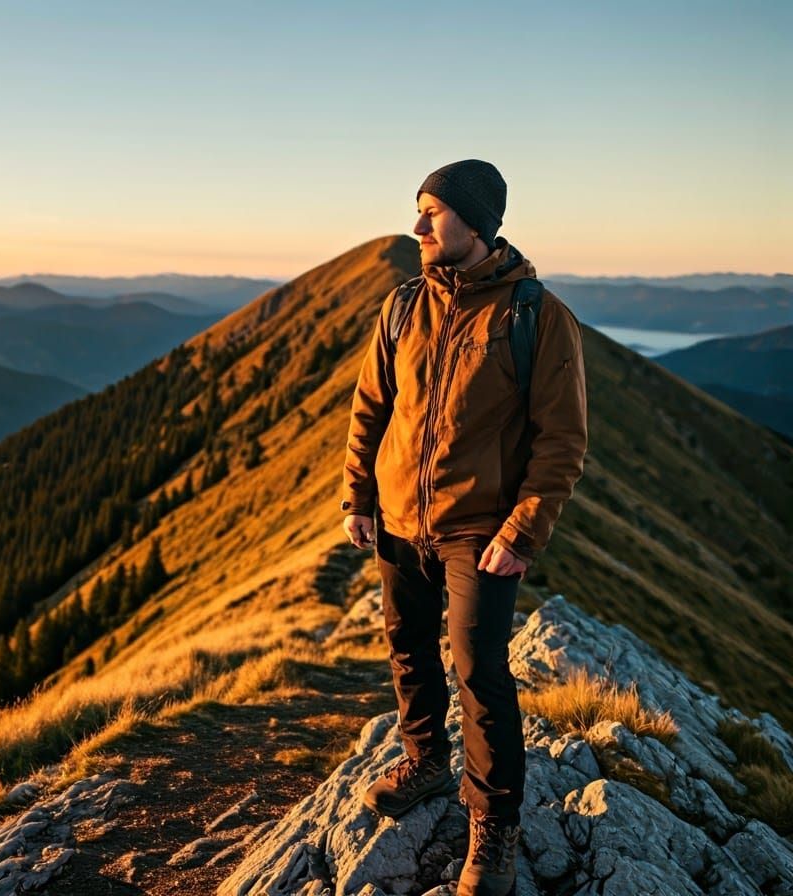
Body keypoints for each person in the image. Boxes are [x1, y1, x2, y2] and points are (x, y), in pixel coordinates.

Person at [338, 159, 588, 895]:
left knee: (480, 675)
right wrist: (359, 498)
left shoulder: (537, 317)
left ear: (475, 224)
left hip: (479, 532)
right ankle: (424, 762)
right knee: (408, 648)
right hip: (397, 520)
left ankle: (494, 828)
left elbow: (562, 442)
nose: (417, 227)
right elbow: (370, 410)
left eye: (433, 213)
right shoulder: (403, 306)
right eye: (418, 211)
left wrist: (524, 530)